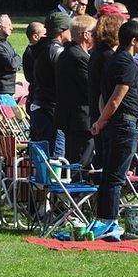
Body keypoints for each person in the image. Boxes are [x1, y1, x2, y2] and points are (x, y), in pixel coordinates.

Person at [89, 21, 138, 240]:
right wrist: (102, 121)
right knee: (115, 176)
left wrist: (102, 121)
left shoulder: (112, 59)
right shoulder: (126, 62)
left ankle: (104, 219)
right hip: (123, 123)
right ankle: (109, 223)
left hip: (113, 123)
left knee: (109, 174)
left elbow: (104, 96)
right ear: (134, 40)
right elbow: (115, 99)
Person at [54, 15, 97, 170]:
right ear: (85, 34)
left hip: (76, 117)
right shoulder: (77, 56)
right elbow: (89, 87)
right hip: (80, 118)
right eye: (95, 32)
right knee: (81, 160)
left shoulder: (72, 53)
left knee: (81, 156)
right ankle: (75, 191)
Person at [30, 12, 71, 158]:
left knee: (42, 161)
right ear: (62, 31)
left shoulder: (42, 47)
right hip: (51, 111)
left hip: (41, 108)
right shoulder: (56, 50)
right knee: (55, 160)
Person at [88, 13, 124, 168]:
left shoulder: (97, 52)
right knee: (108, 159)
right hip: (104, 112)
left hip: (98, 110)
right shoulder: (108, 56)